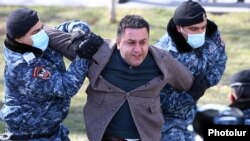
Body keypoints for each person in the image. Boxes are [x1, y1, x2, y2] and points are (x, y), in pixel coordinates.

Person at [45, 14, 198, 141]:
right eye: (131, 42)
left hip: (146, 137)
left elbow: (189, 83)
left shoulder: (163, 60)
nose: (138, 49)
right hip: (105, 137)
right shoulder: (96, 51)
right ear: (118, 42)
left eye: (143, 42)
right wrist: (77, 35)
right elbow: (47, 33)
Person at [0, 8, 102, 141]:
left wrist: (79, 33)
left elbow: (71, 25)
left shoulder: (36, 40)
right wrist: (84, 55)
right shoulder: (21, 67)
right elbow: (66, 87)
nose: (42, 33)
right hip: (28, 137)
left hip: (53, 132)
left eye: (41, 27)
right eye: (36, 32)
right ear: (19, 39)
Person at [154, 0, 227, 140]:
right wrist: (189, 96)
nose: (200, 32)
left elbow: (220, 59)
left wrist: (206, 82)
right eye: (193, 29)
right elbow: (156, 100)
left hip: (193, 115)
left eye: (202, 27)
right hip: (167, 122)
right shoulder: (164, 55)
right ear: (179, 28)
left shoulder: (211, 34)